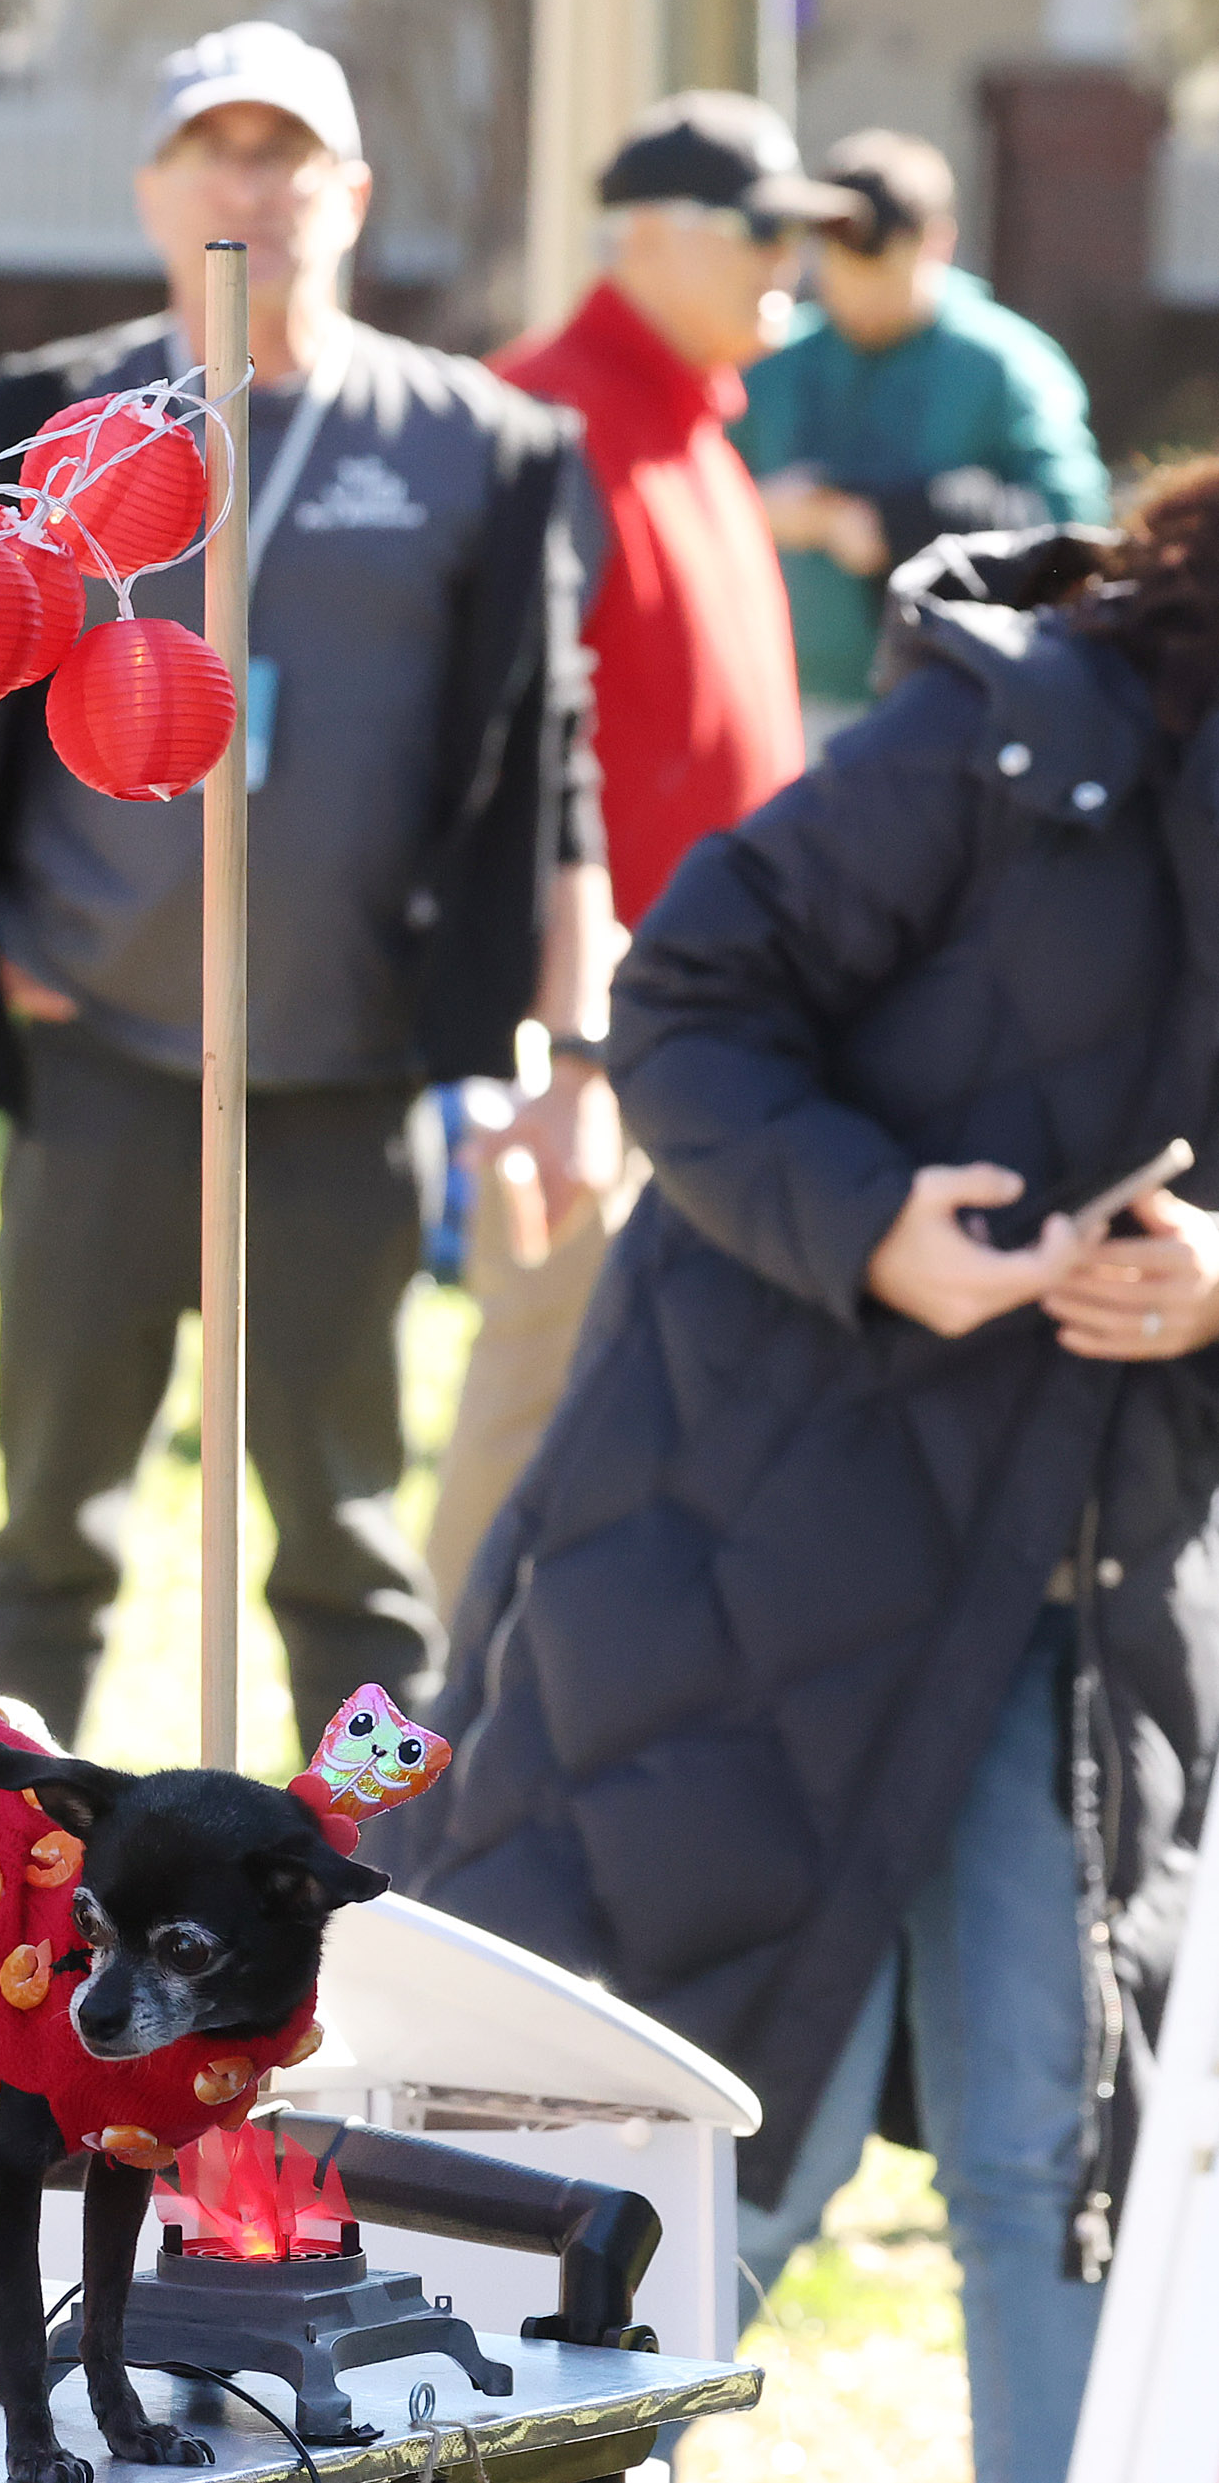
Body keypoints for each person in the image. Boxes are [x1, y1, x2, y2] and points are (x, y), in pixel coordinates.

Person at [394, 498, 1219, 2483]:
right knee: (706, 2134)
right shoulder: (1012, 730)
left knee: (1063, 2163)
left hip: (1087, 1606)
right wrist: (869, 1227)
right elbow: (684, 1014)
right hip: (761, 1539)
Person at [0, 20, 606, 1753]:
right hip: (105, 1058)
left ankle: (377, 1868)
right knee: (50, 1530)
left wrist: (564, 1059)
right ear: (151, 189)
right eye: (216, 149)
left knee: (350, 1545)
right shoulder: (36, 422)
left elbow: (555, 778)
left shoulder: (475, 444)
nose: (250, 188)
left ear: (351, 194)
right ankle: (8, 1865)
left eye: (287, 156)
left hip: (345, 1076)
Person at [424, 93, 840, 1604]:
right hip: (596, 1037)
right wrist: (549, 1050)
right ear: (648, 235)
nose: (791, 259)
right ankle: (412, 1785)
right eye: (763, 228)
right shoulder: (541, 422)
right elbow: (485, 754)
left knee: (681, 1414)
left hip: (731, 1027)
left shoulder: (696, 425)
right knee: (534, 1399)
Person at [737, 128, 1112, 745]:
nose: (853, 290)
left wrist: (902, 525)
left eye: (876, 268)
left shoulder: (1008, 369)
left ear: (935, 244)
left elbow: (1076, 537)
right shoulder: (769, 362)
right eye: (835, 265)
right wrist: (760, 511)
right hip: (778, 701)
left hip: (949, 714)